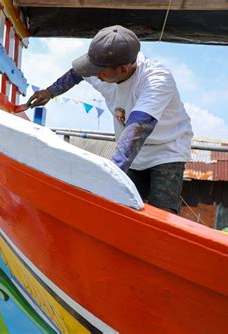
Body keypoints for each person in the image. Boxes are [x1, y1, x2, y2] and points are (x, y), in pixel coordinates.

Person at [27, 25, 193, 214]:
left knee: (162, 215)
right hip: (134, 153)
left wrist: (108, 176)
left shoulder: (155, 79)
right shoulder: (102, 66)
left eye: (99, 71)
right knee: (123, 209)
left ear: (123, 70)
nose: (94, 74)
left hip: (167, 149)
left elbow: (138, 128)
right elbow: (76, 74)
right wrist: (51, 91)